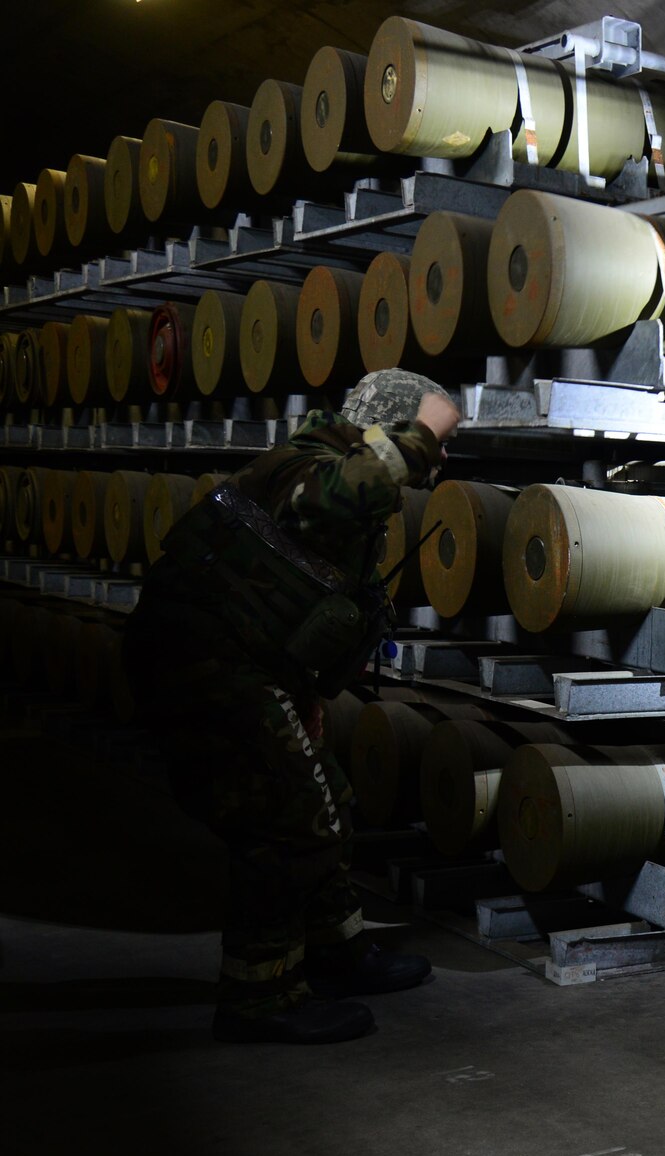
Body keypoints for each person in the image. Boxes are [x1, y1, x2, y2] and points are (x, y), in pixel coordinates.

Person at [124, 370, 461, 1044]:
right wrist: (422, 434)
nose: (442, 456)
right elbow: (324, 507)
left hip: (248, 660)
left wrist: (305, 694)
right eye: (434, 439)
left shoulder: (351, 485)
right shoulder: (310, 466)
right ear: (390, 428)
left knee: (325, 797)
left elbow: (301, 601)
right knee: (286, 818)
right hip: (203, 662)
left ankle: (336, 952)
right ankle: (259, 995)